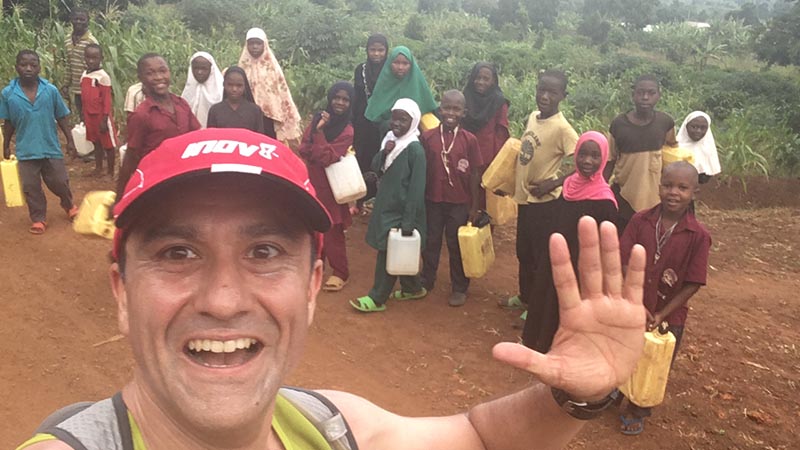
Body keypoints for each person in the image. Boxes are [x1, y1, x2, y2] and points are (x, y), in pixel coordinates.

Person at [16, 127, 649, 450]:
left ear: (314, 286)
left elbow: (479, 439)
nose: (225, 298)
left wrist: (569, 397)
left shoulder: (332, 427)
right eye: (177, 253)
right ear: (122, 292)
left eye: (264, 252)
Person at [618, 161, 711, 436]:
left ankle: (638, 407)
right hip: (634, 304)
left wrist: (660, 313)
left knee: (654, 362)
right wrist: (636, 301)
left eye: (682, 188)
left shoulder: (699, 236)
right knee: (623, 350)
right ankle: (615, 391)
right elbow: (624, 261)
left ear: (694, 192)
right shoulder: (640, 220)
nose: (674, 192)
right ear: (658, 186)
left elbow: (693, 282)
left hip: (669, 315)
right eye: (668, 185)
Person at [521, 131, 618, 353]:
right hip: (556, 255)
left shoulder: (605, 201)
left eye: (595, 156)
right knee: (545, 294)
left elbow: (606, 244)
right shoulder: (569, 187)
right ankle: (535, 341)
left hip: (579, 263)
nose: (587, 161)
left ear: (603, 159)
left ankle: (556, 347)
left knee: (565, 303)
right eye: (582, 154)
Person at [499, 70, 578, 314]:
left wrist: (553, 183)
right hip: (525, 198)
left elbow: (580, 165)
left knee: (540, 254)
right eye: (541, 90)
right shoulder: (534, 117)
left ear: (562, 96)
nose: (544, 96)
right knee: (523, 251)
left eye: (552, 92)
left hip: (544, 202)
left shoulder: (563, 129)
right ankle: (525, 296)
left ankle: (536, 306)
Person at [350, 98, 427, 313]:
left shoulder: (415, 151)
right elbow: (376, 167)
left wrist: (408, 220)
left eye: (404, 120)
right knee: (402, 250)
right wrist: (385, 151)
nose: (397, 124)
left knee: (388, 250)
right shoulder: (390, 140)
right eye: (395, 118)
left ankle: (377, 297)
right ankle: (413, 288)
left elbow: (416, 189)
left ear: (413, 122)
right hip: (386, 203)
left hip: (402, 210)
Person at [0, 50, 78, 235]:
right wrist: (5, 145)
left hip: (50, 146)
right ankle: (38, 219)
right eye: (23, 64)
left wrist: (70, 141)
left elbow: (62, 117)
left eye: (33, 65)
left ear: (39, 68)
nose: (28, 68)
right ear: (16, 67)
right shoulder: (8, 93)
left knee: (59, 181)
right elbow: (8, 122)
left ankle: (69, 205)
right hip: (25, 149)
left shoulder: (50, 90)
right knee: (31, 186)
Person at [419, 90, 483, 307]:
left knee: (456, 244)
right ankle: (427, 280)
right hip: (433, 199)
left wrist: (474, 206)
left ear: (464, 113)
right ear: (439, 109)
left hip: (459, 202)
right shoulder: (427, 137)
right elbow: (422, 170)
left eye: (456, 109)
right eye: (446, 107)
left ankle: (459, 287)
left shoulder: (470, 140)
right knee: (431, 241)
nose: (450, 113)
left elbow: (475, 174)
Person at [298, 81, 355, 293]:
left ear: (351, 103)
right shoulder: (317, 119)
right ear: (330, 98)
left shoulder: (347, 130)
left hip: (333, 185)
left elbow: (327, 157)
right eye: (336, 98)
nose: (339, 103)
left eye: (345, 99)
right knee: (313, 224)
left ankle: (340, 272)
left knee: (333, 228)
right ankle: (316, 264)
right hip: (313, 181)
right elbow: (304, 148)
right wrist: (318, 144)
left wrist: (319, 134)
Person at [118, 53, 201, 197]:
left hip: (184, 177)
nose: (158, 77)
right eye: (150, 73)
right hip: (156, 182)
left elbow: (196, 137)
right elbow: (131, 156)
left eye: (162, 71)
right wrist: (119, 196)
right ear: (141, 78)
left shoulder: (181, 104)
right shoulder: (142, 115)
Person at [605, 74, 678, 231]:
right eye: (640, 92)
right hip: (624, 195)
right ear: (633, 95)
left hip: (655, 198)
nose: (645, 97)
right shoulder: (618, 124)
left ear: (659, 95)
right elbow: (610, 159)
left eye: (651, 93)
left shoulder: (665, 123)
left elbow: (672, 152)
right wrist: (603, 190)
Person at [238, 27, 302, 143]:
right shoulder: (242, 67)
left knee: (267, 143)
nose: (255, 47)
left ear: (265, 45)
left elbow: (281, 91)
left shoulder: (272, 68)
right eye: (251, 43)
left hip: (268, 117)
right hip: (246, 115)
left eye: (258, 43)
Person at [462, 62, 510, 209]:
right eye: (477, 78)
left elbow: (501, 132)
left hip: (487, 157)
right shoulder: (465, 97)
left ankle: (483, 228)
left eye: (485, 78)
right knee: (464, 191)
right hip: (465, 153)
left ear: (493, 81)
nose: (480, 82)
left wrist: (498, 163)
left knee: (484, 197)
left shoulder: (498, 101)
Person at [363, 46, 437, 134]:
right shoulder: (384, 84)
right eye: (396, 63)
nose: (400, 67)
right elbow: (375, 111)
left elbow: (428, 108)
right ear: (389, 63)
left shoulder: (418, 85)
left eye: (405, 63)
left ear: (411, 65)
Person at [353, 33, 389, 174]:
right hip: (363, 120)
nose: (376, 54)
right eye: (372, 50)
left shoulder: (391, 71)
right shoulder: (360, 70)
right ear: (367, 51)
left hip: (383, 121)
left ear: (386, 51)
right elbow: (357, 96)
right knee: (362, 152)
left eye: (381, 50)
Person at [80, 43, 117, 177]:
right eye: (88, 57)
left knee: (108, 144)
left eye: (95, 58)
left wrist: (105, 118)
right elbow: (84, 96)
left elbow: (107, 100)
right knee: (96, 142)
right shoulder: (84, 74)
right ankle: (98, 168)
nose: (91, 61)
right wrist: (83, 114)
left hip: (101, 116)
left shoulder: (103, 77)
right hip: (89, 115)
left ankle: (111, 171)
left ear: (101, 58)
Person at [63, 7, 98, 124]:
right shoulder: (67, 40)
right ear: (71, 20)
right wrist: (66, 84)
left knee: (91, 118)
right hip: (77, 88)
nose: (78, 22)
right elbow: (69, 63)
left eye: (82, 19)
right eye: (76, 19)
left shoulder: (91, 41)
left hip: (89, 87)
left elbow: (97, 66)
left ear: (87, 21)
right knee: (82, 118)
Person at [207, 66, 264, 133]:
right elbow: (210, 136)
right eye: (230, 85)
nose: (234, 89)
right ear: (224, 84)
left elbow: (259, 137)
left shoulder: (255, 111)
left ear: (245, 86)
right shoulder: (215, 110)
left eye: (239, 85)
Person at [180, 51, 223, 128]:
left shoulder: (220, 92)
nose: (199, 72)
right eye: (196, 68)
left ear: (211, 69)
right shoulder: (188, 91)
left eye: (204, 69)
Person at [676, 111, 720, 184]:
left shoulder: (709, 150)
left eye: (703, 128)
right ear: (686, 126)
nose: (698, 131)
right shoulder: (675, 148)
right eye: (694, 127)